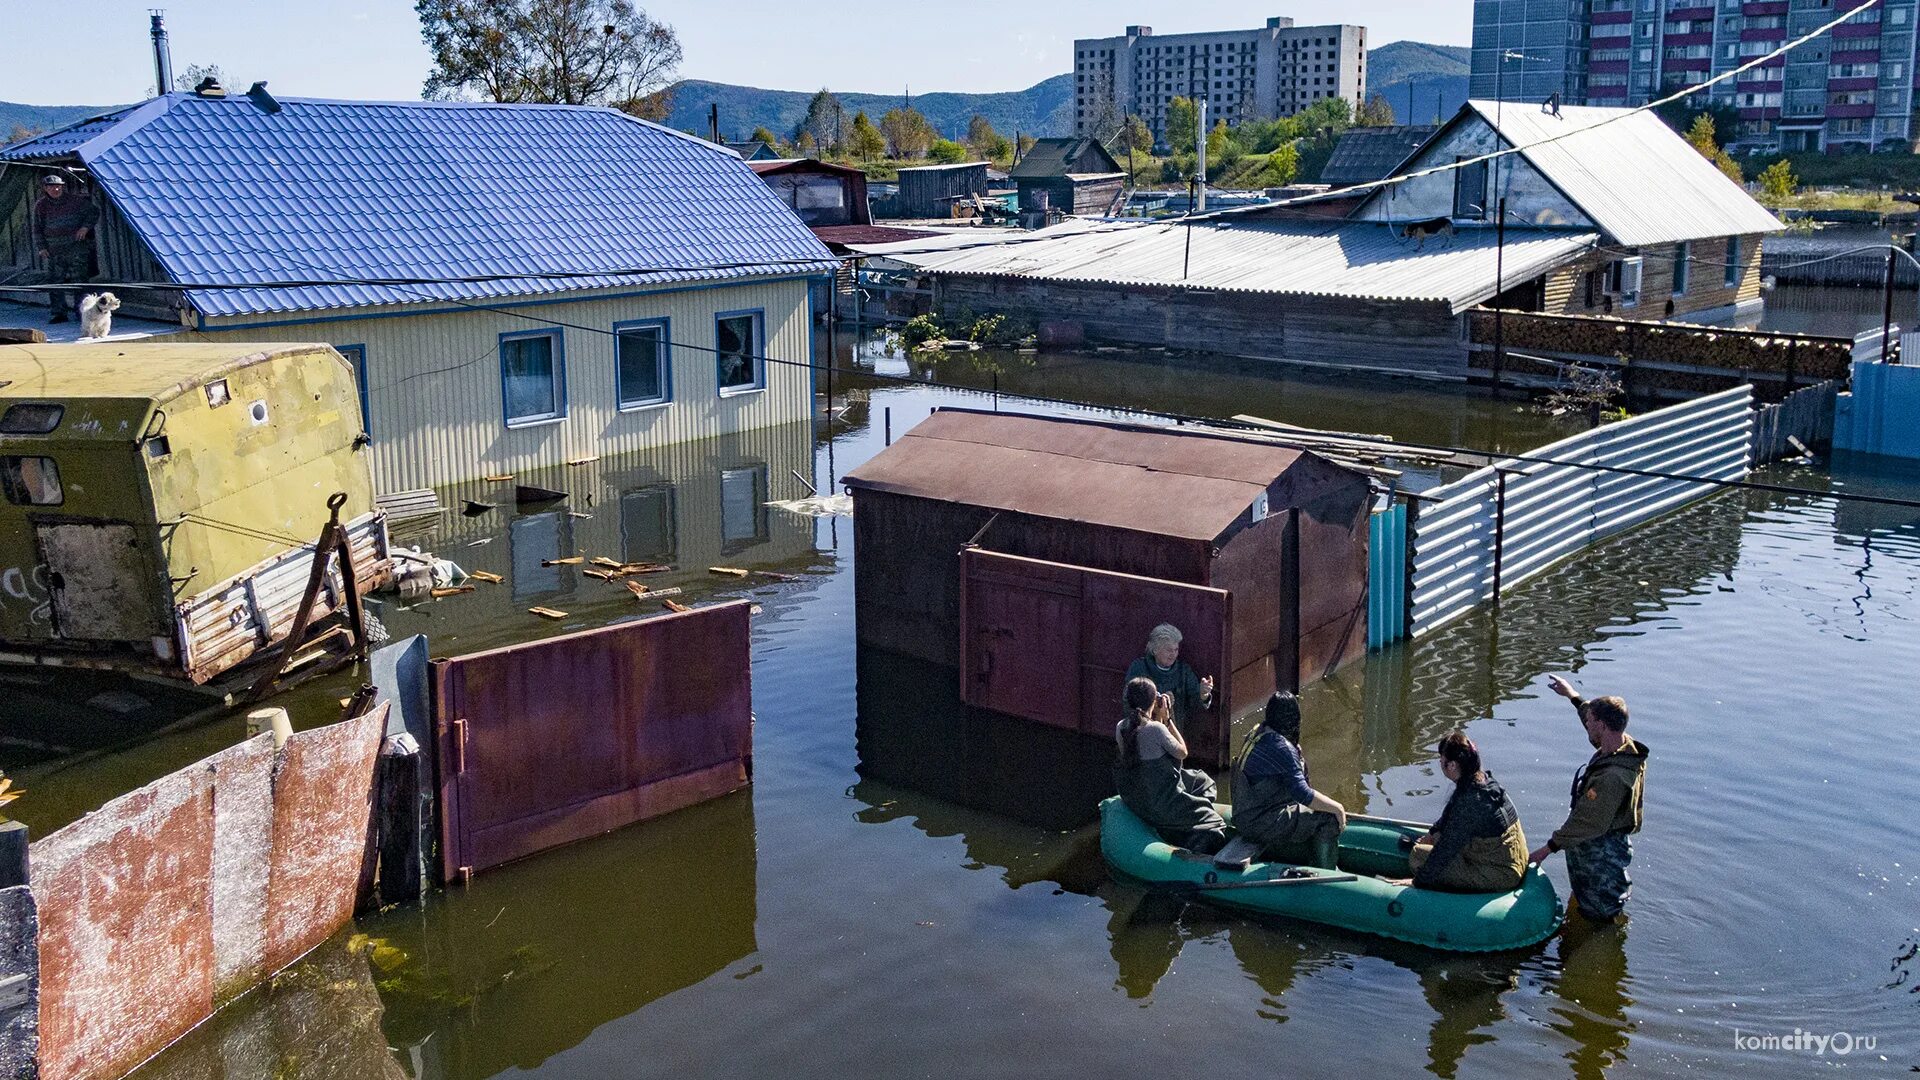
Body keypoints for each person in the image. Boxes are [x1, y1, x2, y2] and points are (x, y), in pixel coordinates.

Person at [1529, 675, 1649, 923]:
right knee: (1584, 902)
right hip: (1590, 847)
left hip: (1600, 854)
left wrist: (1546, 849)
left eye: (1591, 721)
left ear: (1603, 726)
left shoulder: (1613, 778)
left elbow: (1587, 822)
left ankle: (1601, 940)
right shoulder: (1619, 744)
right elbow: (1590, 715)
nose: (1586, 723)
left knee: (1598, 913)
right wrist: (1572, 695)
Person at [1394, 732, 1528, 893]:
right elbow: (1449, 814)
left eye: (1442, 758)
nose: (1440, 762)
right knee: (1436, 837)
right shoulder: (1483, 781)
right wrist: (1432, 834)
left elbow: (1447, 849)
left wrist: (1417, 882)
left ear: (1451, 765)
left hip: (1502, 873)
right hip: (1509, 858)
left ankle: (1446, 897)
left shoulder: (1470, 802)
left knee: (1418, 856)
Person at [1114, 676, 1227, 855]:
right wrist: (1167, 720)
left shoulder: (1121, 727)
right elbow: (1182, 752)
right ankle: (1187, 831)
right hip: (1162, 801)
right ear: (1153, 702)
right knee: (1216, 823)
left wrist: (1157, 720)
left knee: (1200, 780)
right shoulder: (1156, 729)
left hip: (1139, 797)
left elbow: (1144, 755)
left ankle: (1183, 818)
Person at [1231, 693, 1345, 869]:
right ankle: (1326, 872)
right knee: (1328, 818)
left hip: (1246, 814)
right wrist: (1337, 808)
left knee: (1313, 810)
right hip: (1260, 821)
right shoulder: (1281, 747)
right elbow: (1303, 793)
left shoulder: (1258, 732)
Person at [32, 174, 98, 325]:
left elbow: (94, 212)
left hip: (76, 250)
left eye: (58, 186)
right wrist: (41, 247)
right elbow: (37, 228)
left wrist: (85, 227)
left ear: (62, 187)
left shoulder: (76, 201)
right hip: (54, 251)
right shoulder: (41, 206)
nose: (55, 189)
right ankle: (59, 313)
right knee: (55, 283)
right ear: (45, 188)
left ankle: (82, 312)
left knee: (79, 282)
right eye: (52, 187)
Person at [1124, 624, 1213, 735]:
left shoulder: (1183, 671)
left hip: (1172, 733)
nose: (1173, 654)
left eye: (1176, 650)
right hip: (1141, 733)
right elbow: (1128, 701)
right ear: (1155, 650)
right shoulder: (1139, 667)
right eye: (1168, 650)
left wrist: (1203, 694)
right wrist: (1158, 701)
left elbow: (1196, 704)